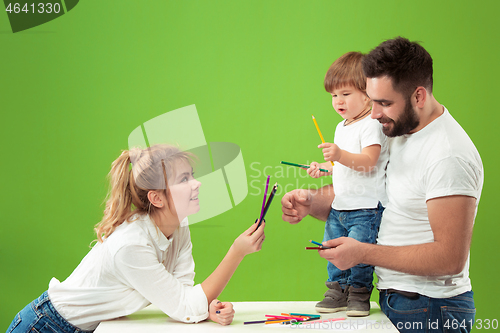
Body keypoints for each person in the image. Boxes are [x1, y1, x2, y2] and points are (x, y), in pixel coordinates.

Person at [282, 37, 483, 333]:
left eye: (384, 103)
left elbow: (450, 258)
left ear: (418, 97)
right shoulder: (398, 130)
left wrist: (362, 253)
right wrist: (311, 202)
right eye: (372, 99)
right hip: (396, 300)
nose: (374, 114)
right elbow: (369, 201)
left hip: (432, 310)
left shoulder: (447, 155)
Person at [7, 144, 266, 333]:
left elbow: (182, 292)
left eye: (193, 175)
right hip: (47, 326)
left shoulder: (180, 226)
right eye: (184, 179)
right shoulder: (131, 244)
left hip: (87, 327)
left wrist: (205, 308)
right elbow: (185, 307)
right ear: (157, 198)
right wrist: (237, 252)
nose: (196, 184)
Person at [305, 52, 389, 316]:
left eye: (345, 94)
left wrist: (339, 155)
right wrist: (325, 167)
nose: (338, 101)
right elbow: (344, 164)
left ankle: (359, 293)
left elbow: (368, 162)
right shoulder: (342, 127)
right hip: (340, 206)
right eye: (333, 95)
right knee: (332, 249)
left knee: (360, 254)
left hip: (365, 208)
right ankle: (337, 289)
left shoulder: (371, 125)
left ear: (367, 94)